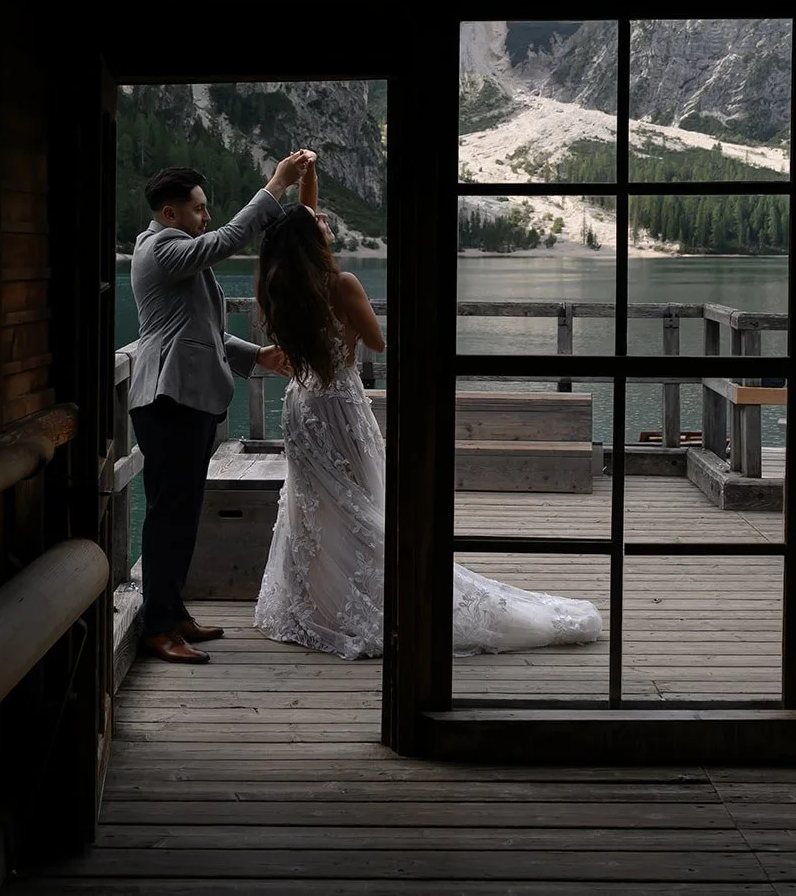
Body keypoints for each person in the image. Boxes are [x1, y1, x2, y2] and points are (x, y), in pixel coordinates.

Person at [251, 158, 602, 659]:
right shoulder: (342, 284)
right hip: (340, 404)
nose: (326, 222)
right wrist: (353, 320)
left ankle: (318, 603)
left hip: (302, 405)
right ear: (314, 242)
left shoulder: (280, 286)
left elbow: (302, 219)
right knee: (363, 500)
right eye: (322, 223)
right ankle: (371, 597)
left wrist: (306, 177)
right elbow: (376, 341)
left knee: (317, 504)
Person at [128, 151, 313, 663]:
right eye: (199, 208)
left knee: (183, 512)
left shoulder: (171, 247)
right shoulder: (163, 249)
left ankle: (172, 611)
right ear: (171, 213)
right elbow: (229, 241)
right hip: (169, 399)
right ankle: (158, 627)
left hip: (183, 397)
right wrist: (275, 185)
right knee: (169, 515)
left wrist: (258, 355)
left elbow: (200, 332)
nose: (206, 216)